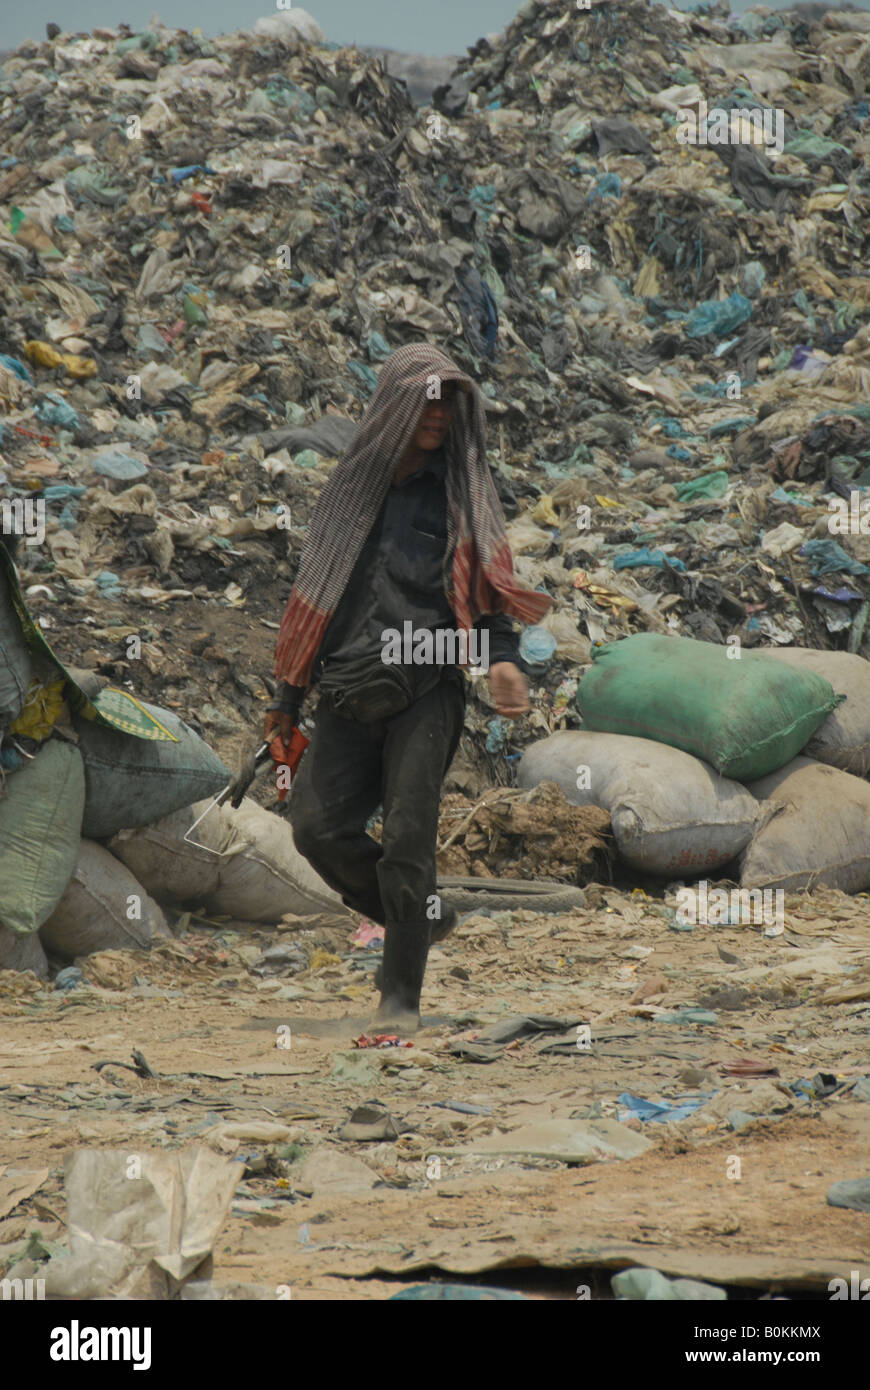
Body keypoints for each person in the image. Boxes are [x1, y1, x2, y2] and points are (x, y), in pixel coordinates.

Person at [263, 343, 551, 1028]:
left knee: (409, 842)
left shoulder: (461, 492)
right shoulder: (351, 489)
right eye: (427, 400)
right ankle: (424, 914)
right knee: (316, 829)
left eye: (449, 402)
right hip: (348, 688)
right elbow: (315, 594)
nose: (439, 415)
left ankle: (400, 999)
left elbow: (487, 587)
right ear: (396, 404)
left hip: (426, 688)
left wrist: (502, 658)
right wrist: (286, 700)